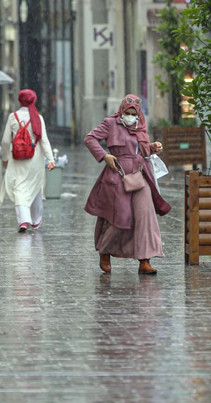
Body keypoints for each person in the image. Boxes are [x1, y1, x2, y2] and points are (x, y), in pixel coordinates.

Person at [83, 94, 171, 275]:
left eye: (134, 113)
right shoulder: (110, 123)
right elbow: (90, 138)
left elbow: (143, 151)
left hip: (140, 175)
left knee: (145, 217)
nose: (130, 116)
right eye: (128, 112)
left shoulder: (141, 127)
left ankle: (145, 260)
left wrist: (153, 147)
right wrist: (104, 155)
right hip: (117, 176)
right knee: (119, 218)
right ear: (122, 110)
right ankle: (105, 250)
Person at [0, 89, 56, 232]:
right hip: (35, 157)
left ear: (20, 100)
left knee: (19, 187)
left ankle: (24, 220)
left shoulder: (13, 117)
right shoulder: (38, 118)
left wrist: (5, 157)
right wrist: (50, 159)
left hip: (17, 157)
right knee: (35, 185)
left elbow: (6, 140)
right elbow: (44, 140)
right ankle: (36, 219)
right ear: (34, 100)